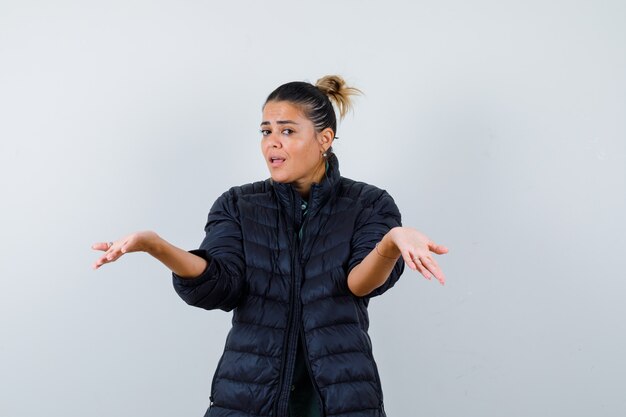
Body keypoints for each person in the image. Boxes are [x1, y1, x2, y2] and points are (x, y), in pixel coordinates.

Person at [91, 75, 448, 417]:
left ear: (325, 139)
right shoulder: (237, 205)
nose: (272, 142)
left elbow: (359, 283)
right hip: (248, 397)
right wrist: (156, 246)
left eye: (287, 131)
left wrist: (390, 243)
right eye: (266, 131)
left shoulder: (369, 204)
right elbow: (220, 285)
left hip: (341, 398)